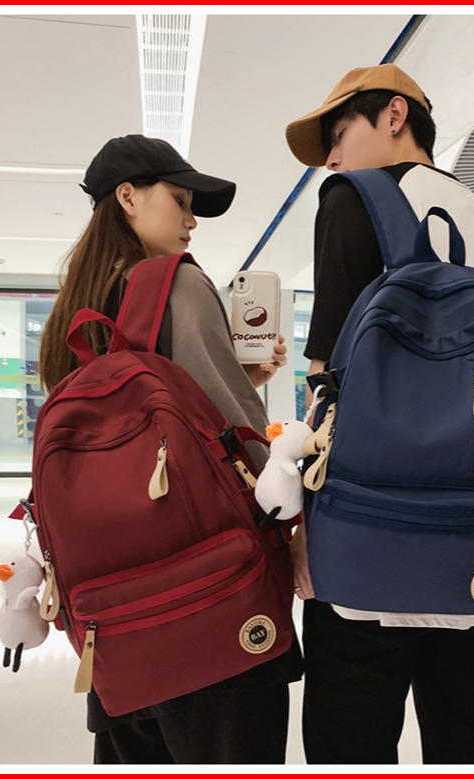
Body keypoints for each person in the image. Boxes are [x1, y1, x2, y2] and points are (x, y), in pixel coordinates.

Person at [285, 64, 474, 764]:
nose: (331, 160)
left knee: (349, 745)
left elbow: (325, 381)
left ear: (395, 115)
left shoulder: (354, 198)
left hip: (369, 535)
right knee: (469, 738)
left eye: (338, 135)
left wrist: (302, 524)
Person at [39, 134, 303, 764]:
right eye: (180, 201)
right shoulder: (178, 284)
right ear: (128, 197)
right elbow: (236, 436)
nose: (191, 220)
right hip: (210, 593)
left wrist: (241, 378)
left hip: (114, 610)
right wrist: (291, 523)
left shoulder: (74, 305)